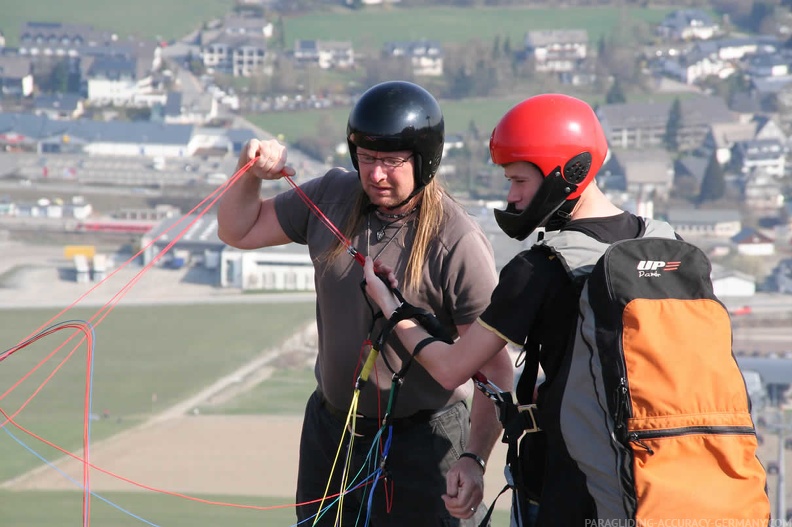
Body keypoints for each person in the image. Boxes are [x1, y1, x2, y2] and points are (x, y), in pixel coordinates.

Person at [361, 93, 682, 524]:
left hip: (578, 489)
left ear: (571, 172)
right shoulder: (669, 245)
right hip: (669, 477)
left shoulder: (541, 267)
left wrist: (394, 310)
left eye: (519, 181)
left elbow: (453, 368)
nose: (511, 197)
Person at [217, 80, 513, 526]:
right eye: (367, 159)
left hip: (424, 443)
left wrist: (474, 459)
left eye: (391, 162)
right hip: (332, 435)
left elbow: (496, 371)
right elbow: (236, 230)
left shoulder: (457, 241)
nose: (375, 175)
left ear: (425, 159)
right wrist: (248, 168)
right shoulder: (331, 196)